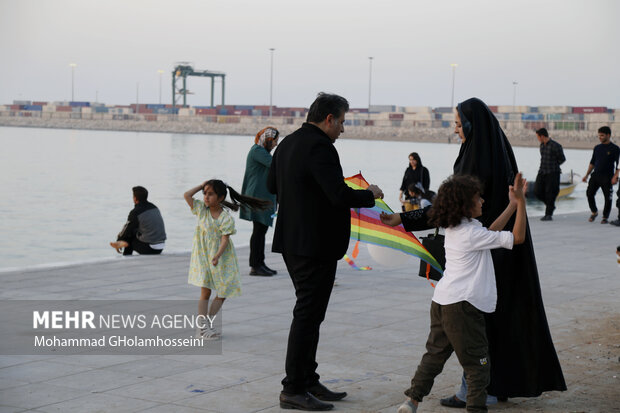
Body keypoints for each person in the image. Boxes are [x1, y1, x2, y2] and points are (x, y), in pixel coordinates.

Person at [381, 97, 566, 405]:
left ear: (470, 125)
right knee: (489, 323)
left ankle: (479, 393)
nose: (455, 130)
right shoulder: (493, 151)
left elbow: (446, 208)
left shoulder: (474, 163)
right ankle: (495, 386)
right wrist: (512, 205)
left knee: (475, 332)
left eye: (457, 124)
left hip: (483, 256)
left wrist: (403, 218)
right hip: (491, 244)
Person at [267, 92, 384, 411]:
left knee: (311, 312)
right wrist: (369, 194)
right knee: (307, 313)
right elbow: (337, 195)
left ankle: (307, 379)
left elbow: (271, 186)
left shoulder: (287, 144)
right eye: (342, 122)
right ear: (329, 119)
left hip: (293, 243)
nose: (343, 129)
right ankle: (293, 388)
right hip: (314, 244)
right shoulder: (321, 147)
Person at [394, 172, 527, 413]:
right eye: (478, 198)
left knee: (434, 356)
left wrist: (512, 205)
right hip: (463, 307)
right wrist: (523, 204)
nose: (483, 202)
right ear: (466, 204)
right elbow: (517, 238)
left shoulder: (460, 227)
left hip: (443, 301)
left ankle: (411, 401)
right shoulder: (470, 233)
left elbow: (491, 235)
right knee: (478, 365)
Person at [184, 179, 270, 339]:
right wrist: (201, 185)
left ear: (221, 197)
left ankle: (206, 323)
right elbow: (187, 195)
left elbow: (225, 240)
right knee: (205, 290)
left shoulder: (225, 218)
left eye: (210, 194)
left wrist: (217, 255)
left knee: (224, 291)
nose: (206, 197)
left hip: (220, 258)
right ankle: (202, 327)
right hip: (203, 257)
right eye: (205, 194)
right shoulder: (201, 210)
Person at [240, 126, 280, 276]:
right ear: (268, 139)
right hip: (257, 197)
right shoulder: (257, 151)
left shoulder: (262, 152)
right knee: (258, 231)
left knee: (260, 231)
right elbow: (275, 165)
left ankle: (260, 263)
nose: (276, 144)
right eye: (275, 141)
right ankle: (255, 265)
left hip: (262, 196)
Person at [110, 186, 166, 256]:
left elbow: (127, 229)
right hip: (161, 247)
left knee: (129, 237)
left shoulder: (136, 212)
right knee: (134, 231)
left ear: (135, 198)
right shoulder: (154, 207)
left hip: (150, 249)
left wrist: (119, 239)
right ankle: (122, 243)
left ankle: (126, 258)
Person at [582, 126, 619, 224]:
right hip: (595, 176)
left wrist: (615, 177)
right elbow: (592, 163)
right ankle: (594, 211)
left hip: (607, 177)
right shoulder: (597, 148)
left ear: (608, 135)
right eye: (599, 135)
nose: (600, 137)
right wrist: (586, 175)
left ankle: (605, 217)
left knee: (608, 197)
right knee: (589, 194)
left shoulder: (615, 148)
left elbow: (618, 165)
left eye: (602, 135)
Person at [533, 128, 565, 221]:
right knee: (537, 191)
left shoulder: (556, 146)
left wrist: (554, 165)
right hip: (542, 171)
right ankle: (550, 206)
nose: (538, 139)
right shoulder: (541, 145)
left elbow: (562, 159)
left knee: (550, 193)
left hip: (553, 172)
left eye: (538, 137)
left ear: (542, 136)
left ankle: (548, 214)